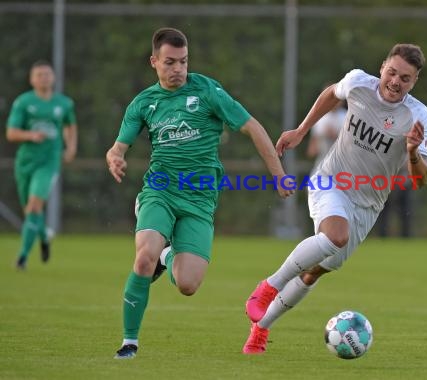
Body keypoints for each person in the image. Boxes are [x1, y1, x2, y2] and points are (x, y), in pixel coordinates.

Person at [106, 27, 294, 359]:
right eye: (170, 62)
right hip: (159, 191)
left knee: (188, 285)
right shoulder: (144, 103)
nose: (178, 69)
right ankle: (129, 342)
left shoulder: (208, 91)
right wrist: (116, 156)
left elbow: (253, 127)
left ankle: (168, 256)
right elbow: (118, 146)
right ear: (154, 62)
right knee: (143, 257)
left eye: (183, 62)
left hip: (199, 199)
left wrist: (278, 176)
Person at [242, 43, 427, 354]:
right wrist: (303, 130)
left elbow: (421, 179)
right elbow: (332, 93)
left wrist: (412, 153)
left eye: (406, 78)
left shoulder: (418, 116)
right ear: (382, 67)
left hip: (368, 205)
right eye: (393, 72)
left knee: (315, 269)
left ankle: (260, 329)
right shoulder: (359, 82)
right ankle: (268, 287)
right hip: (331, 180)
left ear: (414, 82)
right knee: (335, 237)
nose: (396, 81)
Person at [6, 60, 78, 270]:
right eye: (39, 75)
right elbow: (11, 133)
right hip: (25, 163)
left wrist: (71, 147)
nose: (44, 78)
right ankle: (43, 236)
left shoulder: (64, 103)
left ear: (53, 77)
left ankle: (22, 257)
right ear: (32, 79)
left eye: (47, 74)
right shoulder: (23, 102)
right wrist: (30, 134)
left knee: (35, 206)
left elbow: (70, 126)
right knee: (30, 211)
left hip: (49, 162)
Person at [305, 88, 346, 174]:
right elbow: (312, 148)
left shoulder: (346, 116)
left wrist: (335, 135)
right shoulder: (320, 117)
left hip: (341, 163)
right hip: (322, 161)